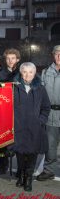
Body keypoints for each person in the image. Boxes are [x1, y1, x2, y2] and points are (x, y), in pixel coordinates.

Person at [13, 62, 51, 192]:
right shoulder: (14, 87)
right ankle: (21, 175)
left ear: (35, 74)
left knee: (32, 154)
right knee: (19, 154)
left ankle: (28, 178)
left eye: (30, 72)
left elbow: (46, 107)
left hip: (35, 128)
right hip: (18, 127)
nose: (27, 75)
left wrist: (40, 121)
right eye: (25, 72)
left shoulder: (40, 88)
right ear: (21, 73)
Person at [37, 45, 60, 181]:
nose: (59, 56)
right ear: (53, 55)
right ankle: (49, 170)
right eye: (57, 54)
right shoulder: (45, 72)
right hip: (51, 114)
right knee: (50, 145)